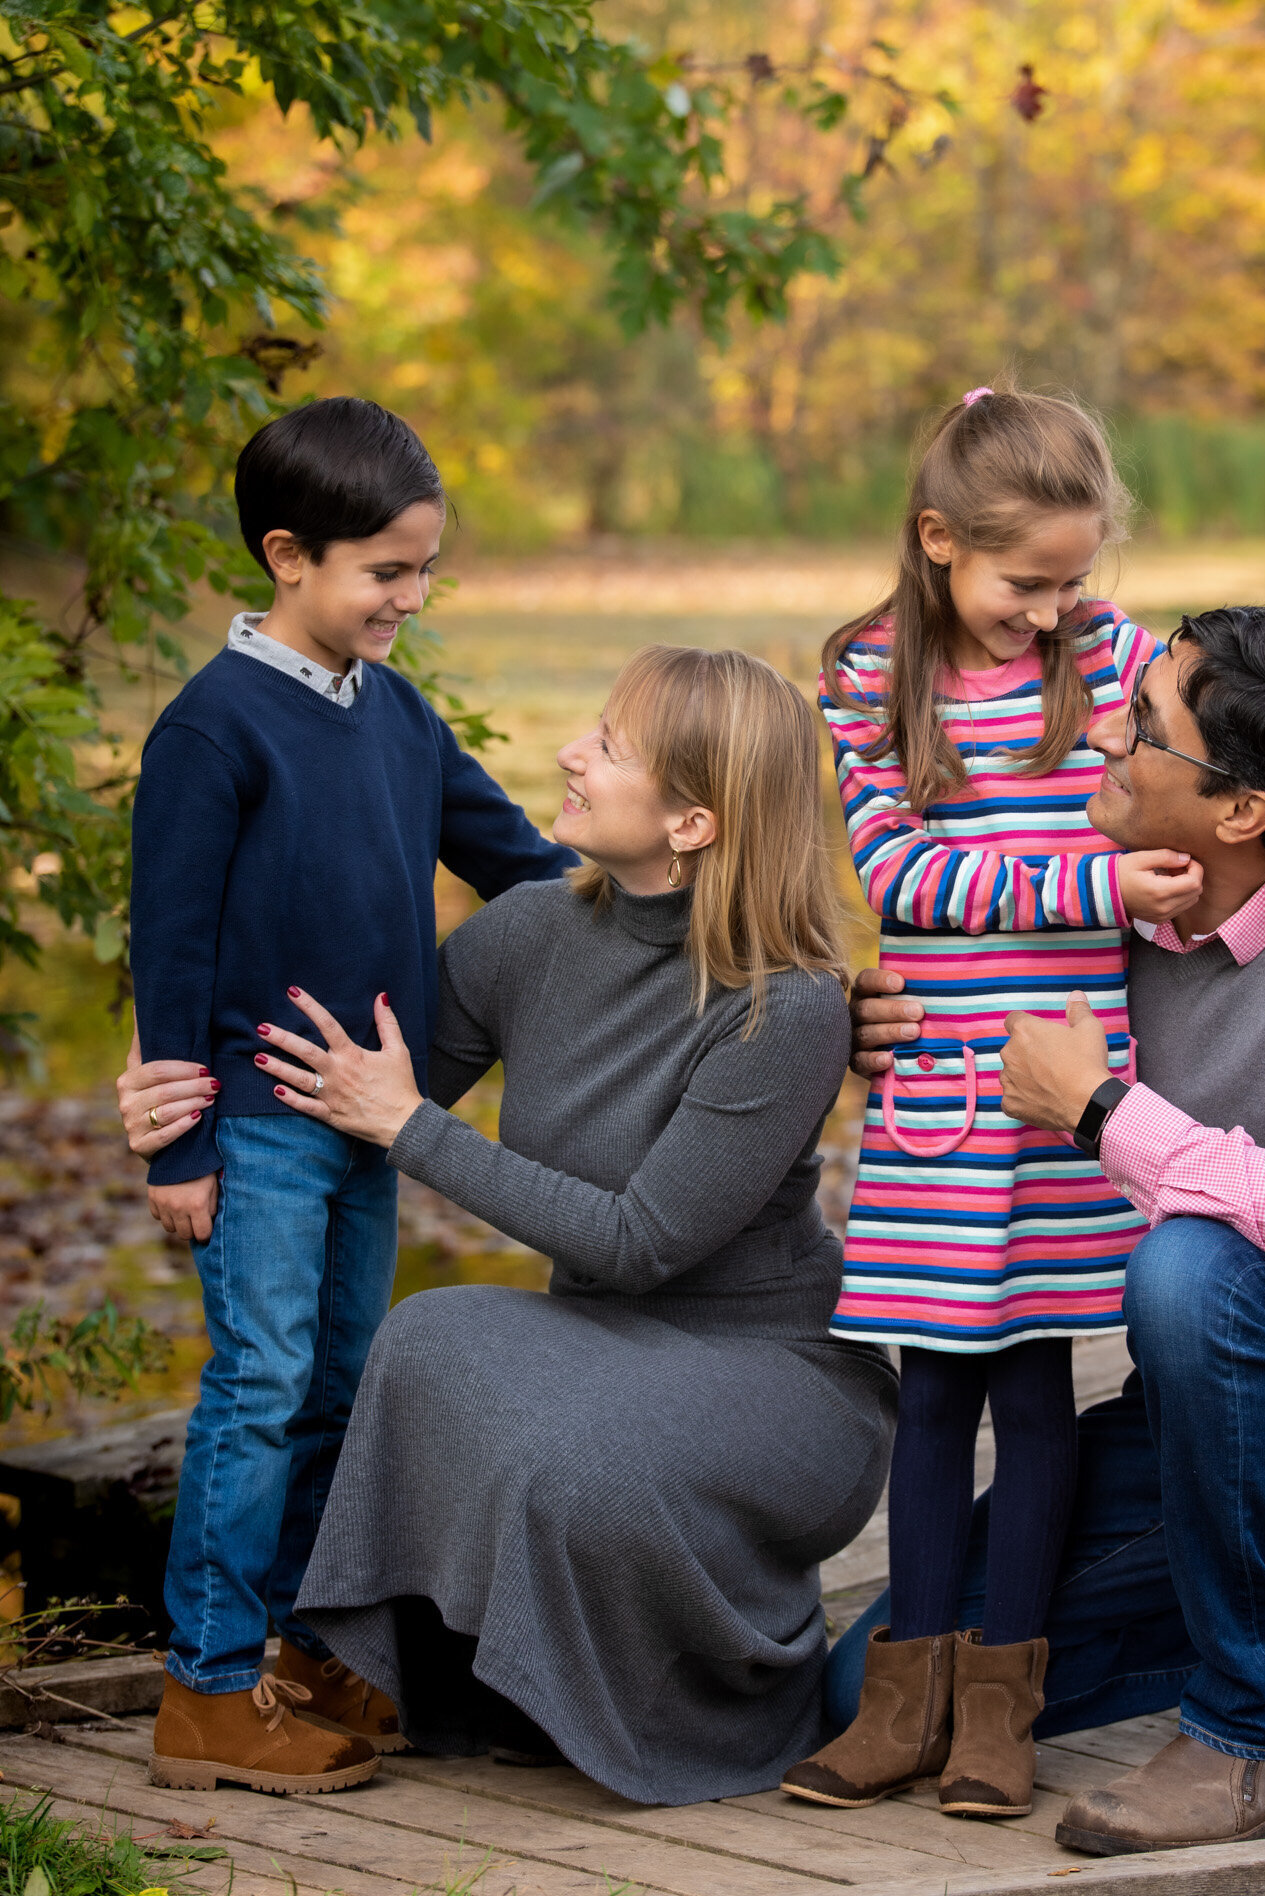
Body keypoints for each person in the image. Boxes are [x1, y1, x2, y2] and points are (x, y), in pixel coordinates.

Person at [838, 605, 1265, 1854]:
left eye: (1142, 721)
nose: (1101, 728)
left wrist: (1105, 1111)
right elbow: (941, 917)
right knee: (868, 1686)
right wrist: (870, 1026)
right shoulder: (1097, 895)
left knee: (1192, 1262)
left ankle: (1261, 1734)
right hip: (1224, 1386)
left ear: (1241, 814)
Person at [783, 386, 1265, 1821]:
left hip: (1072, 1086)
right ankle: (903, 1701)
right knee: (930, 1397)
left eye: (1072, 582)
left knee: (1039, 1393)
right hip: (939, 1086)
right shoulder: (867, 677)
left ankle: (1005, 1707)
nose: (1050, 613)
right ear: (936, 542)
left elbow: (1255, 756)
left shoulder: (1112, 656)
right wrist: (1095, 886)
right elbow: (900, 882)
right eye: (1023, 582)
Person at [247, 645, 896, 1807]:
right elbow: (361, 1087)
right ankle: (405, 1672)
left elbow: (639, 1239)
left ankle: (707, 1698)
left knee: (574, 1458)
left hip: (775, 1375)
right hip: (602, 1346)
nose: (570, 753)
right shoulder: (534, 930)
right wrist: (188, 1107)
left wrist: (411, 1130)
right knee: (428, 1335)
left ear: (692, 821)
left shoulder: (787, 1004)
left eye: (610, 744)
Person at [118, 398, 573, 1795]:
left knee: (331, 1385)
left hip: (366, 1121)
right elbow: (171, 944)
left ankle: (306, 1658)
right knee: (255, 1389)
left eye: (425, 570)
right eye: (386, 572)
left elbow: (523, 861)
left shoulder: (399, 718)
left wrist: (664, 903)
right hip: (256, 1124)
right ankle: (205, 1685)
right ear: (287, 556)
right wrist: (181, 1142)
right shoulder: (213, 731)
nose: (410, 598)